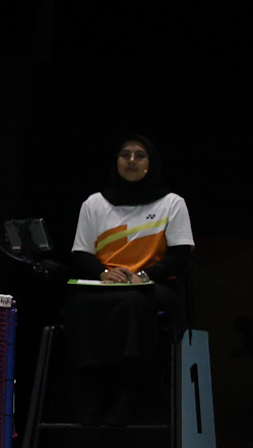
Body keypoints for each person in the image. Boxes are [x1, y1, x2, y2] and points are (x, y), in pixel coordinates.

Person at [67, 134, 194, 424]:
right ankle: (92, 389)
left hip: (153, 285)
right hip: (106, 283)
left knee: (131, 303)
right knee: (80, 304)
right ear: (116, 162)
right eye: (125, 155)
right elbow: (81, 253)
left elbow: (180, 254)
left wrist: (144, 275)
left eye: (140, 155)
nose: (132, 160)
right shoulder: (94, 203)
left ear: (151, 163)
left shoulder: (172, 203)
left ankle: (126, 390)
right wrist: (103, 273)